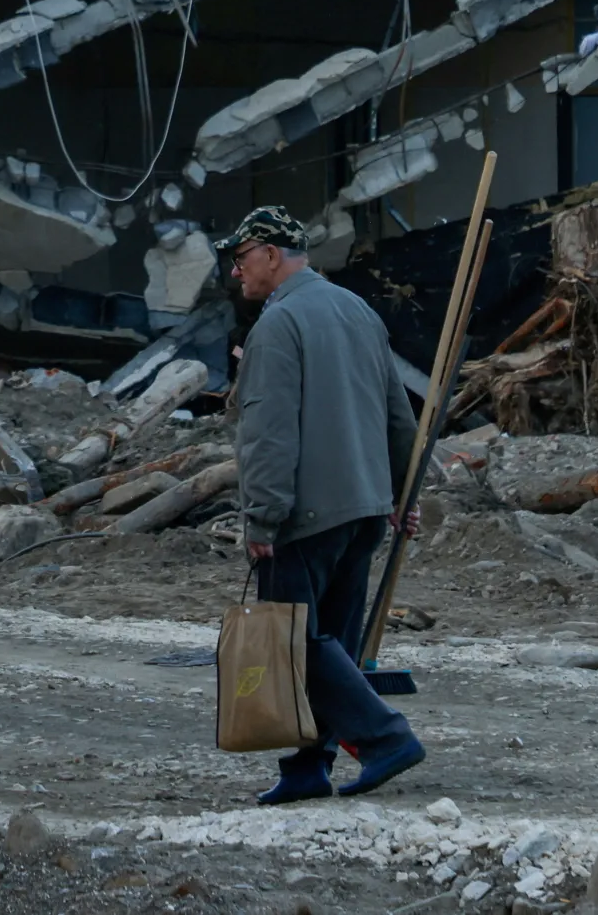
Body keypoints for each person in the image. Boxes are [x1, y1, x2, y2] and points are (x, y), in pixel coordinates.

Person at [217, 205, 427, 805]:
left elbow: (268, 431)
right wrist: (401, 498)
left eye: (241, 259)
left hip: (304, 513)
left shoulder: (278, 325)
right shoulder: (356, 310)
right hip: (363, 510)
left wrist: (262, 516)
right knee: (329, 640)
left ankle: (385, 738)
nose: (237, 273)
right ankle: (310, 766)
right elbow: (398, 416)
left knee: (296, 644)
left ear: (270, 254)